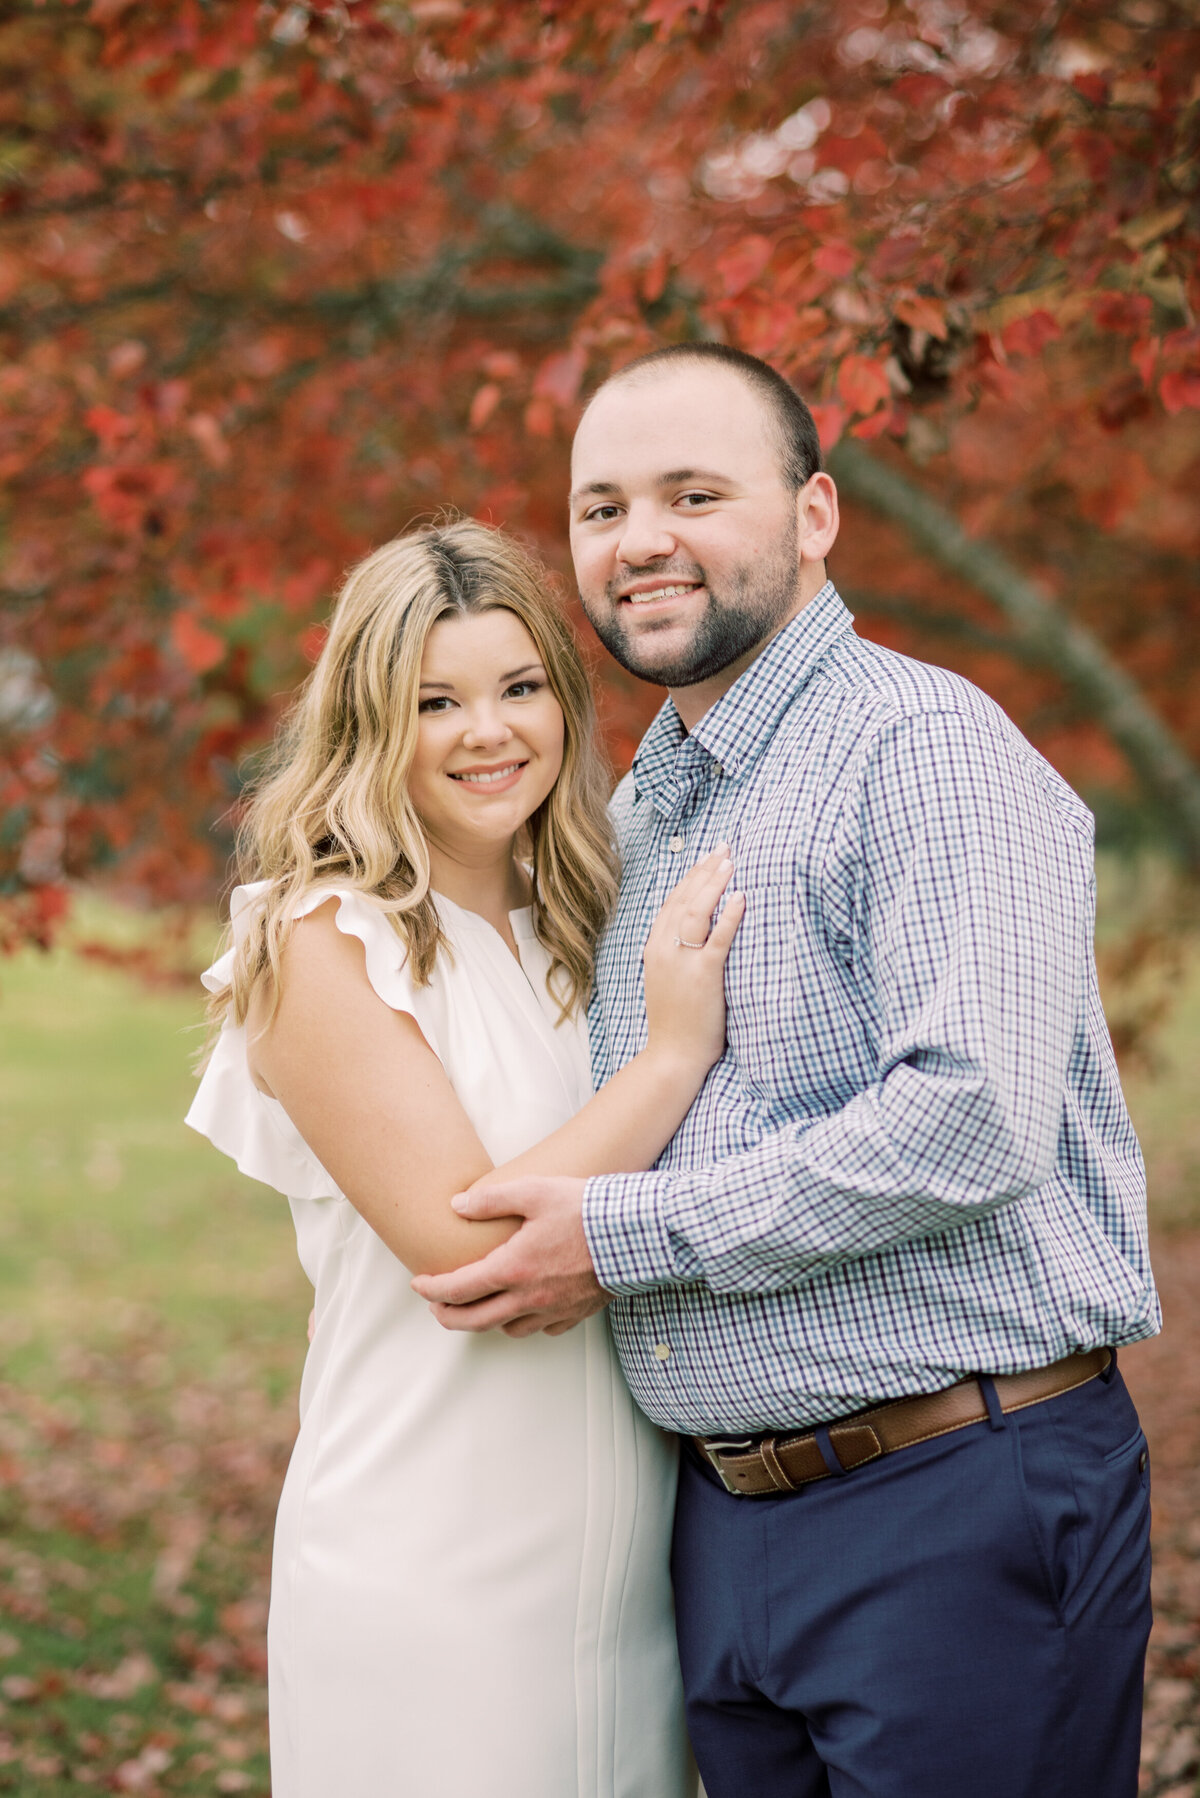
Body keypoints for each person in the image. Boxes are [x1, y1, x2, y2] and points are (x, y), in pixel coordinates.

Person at [413, 344, 1161, 1798]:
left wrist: (618, 1239)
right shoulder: (644, 800)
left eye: (696, 494)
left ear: (815, 513)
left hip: (956, 1494)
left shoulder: (921, 748)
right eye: (603, 507)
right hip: (724, 1520)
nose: (641, 542)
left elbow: (970, 1119)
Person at [185, 519, 745, 1798]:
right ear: (372, 721)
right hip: (429, 1575)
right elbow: (481, 1257)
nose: (487, 731)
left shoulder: (588, 923)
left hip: (633, 1580)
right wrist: (669, 1060)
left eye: (520, 687)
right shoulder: (321, 939)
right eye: (435, 701)